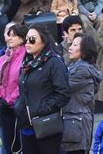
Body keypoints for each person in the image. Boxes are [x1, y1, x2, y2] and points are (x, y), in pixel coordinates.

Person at [14, 24, 70, 153]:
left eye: (32, 39)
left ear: (43, 41)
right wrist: (19, 106)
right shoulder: (26, 64)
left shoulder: (54, 62)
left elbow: (63, 94)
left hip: (46, 125)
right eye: (26, 39)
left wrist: (41, 110)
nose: (27, 43)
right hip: (27, 125)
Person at [61, 33, 102, 154]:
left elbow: (62, 87)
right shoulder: (76, 66)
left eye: (74, 45)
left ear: (84, 51)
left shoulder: (81, 69)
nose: (70, 47)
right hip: (75, 121)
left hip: (76, 123)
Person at [0, 24, 28, 154]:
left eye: (14, 35)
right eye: (9, 35)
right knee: (8, 146)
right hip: (3, 107)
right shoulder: (3, 57)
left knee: (21, 146)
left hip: (18, 107)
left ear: (23, 38)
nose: (10, 38)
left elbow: (23, 83)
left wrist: (9, 100)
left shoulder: (26, 56)